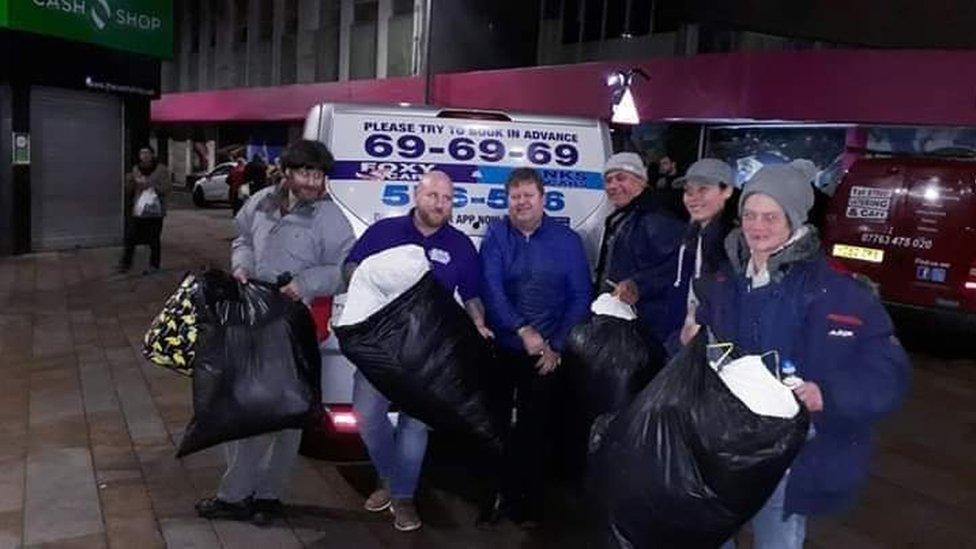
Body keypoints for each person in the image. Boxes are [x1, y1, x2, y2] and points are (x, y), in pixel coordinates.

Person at [681, 160, 910, 548]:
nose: (757, 226)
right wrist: (688, 341)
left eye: (771, 216)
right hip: (723, 445)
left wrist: (829, 394)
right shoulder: (723, 284)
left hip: (790, 455)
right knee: (711, 533)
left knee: (777, 537)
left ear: (795, 219)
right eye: (750, 215)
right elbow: (696, 350)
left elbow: (889, 374)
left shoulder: (841, 292)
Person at [195, 139, 356, 525]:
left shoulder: (330, 218)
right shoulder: (262, 203)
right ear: (285, 172)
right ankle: (236, 495)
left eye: (319, 174)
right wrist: (242, 264)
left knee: (288, 415)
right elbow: (242, 238)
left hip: (296, 326)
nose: (314, 182)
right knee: (243, 409)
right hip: (251, 319)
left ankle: (268, 496)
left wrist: (306, 283)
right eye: (305, 172)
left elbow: (349, 269)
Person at [343, 170, 491, 532]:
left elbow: (471, 294)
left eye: (447, 198)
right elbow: (351, 266)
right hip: (381, 344)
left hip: (429, 353)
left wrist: (478, 323)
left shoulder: (459, 244)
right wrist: (364, 286)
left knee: (415, 424)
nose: (440, 204)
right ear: (416, 195)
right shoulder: (384, 232)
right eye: (433, 196)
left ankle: (403, 497)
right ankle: (393, 480)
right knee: (366, 415)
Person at [477, 168, 592, 528]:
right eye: (515, 197)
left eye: (528, 195)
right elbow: (490, 289)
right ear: (507, 200)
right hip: (504, 347)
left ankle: (528, 504)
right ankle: (494, 496)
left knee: (536, 428)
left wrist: (555, 347)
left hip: (548, 355)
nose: (521, 203)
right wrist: (520, 328)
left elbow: (579, 297)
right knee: (492, 426)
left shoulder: (567, 240)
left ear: (543, 199)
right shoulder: (496, 234)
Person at [594, 152, 686, 348]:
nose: (613, 185)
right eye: (608, 180)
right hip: (623, 319)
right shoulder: (624, 215)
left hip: (647, 327)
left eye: (621, 178)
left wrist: (638, 285)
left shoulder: (656, 218)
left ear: (641, 181)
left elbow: (677, 267)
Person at [664, 158, 737, 355]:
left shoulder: (731, 242)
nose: (693, 198)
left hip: (713, 346)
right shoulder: (692, 234)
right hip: (686, 340)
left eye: (703, 189)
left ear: (727, 191)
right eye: (688, 191)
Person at [119, 145, 171, 275]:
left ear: (152, 155)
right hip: (139, 210)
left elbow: (166, 188)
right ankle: (126, 263)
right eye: (142, 153)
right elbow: (129, 189)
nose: (144, 156)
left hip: (156, 211)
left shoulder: (161, 169)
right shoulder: (136, 169)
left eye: (147, 153)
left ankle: (154, 265)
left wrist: (148, 184)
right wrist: (131, 181)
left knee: (154, 239)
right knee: (131, 237)